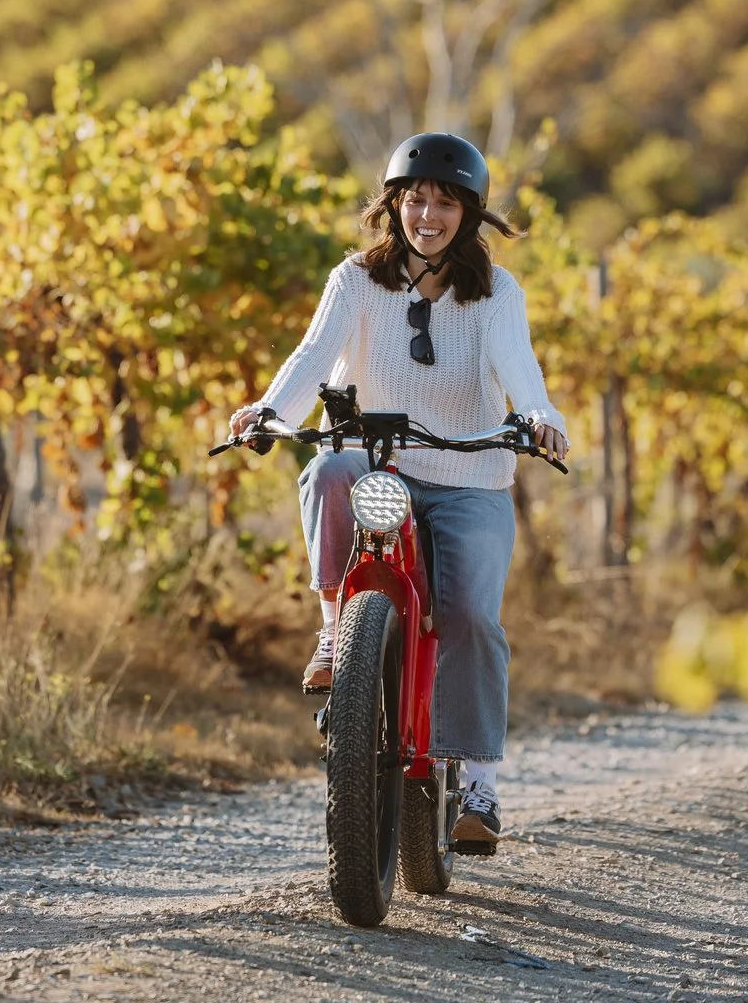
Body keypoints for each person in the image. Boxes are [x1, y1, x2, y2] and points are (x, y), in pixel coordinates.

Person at [227, 131, 569, 848]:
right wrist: (268, 411)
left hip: (468, 476)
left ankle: (477, 782)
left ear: (469, 213)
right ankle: (332, 633)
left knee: (472, 616)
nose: (428, 215)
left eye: (446, 203)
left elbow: (520, 370)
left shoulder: (496, 292)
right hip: (374, 465)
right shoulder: (355, 279)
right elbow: (312, 356)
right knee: (326, 469)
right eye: (416, 199)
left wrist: (540, 418)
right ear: (394, 204)